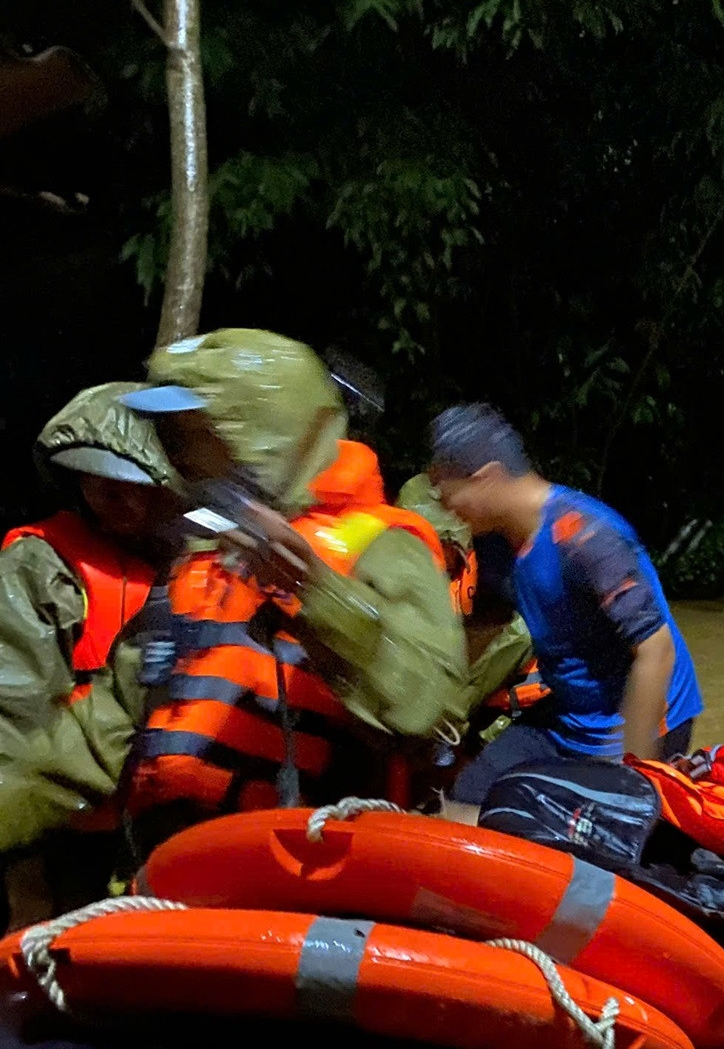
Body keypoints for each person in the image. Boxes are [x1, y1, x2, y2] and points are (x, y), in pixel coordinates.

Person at [117, 330, 464, 854]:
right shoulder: (204, 554)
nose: (184, 455)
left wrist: (313, 591)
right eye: (175, 435)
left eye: (198, 433)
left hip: (298, 864)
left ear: (266, 437)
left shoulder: (380, 543)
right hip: (167, 858)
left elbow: (430, 713)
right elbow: (111, 715)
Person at [427, 404, 702, 806]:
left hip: (638, 721)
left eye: (446, 489)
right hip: (565, 717)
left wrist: (635, 779)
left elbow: (656, 651)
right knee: (466, 800)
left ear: (485, 479)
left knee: (592, 837)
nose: (442, 502)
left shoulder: (584, 537)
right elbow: (480, 632)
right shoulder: (492, 541)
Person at [1, 382, 178, 917]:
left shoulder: (195, 570)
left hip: (161, 827)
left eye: (129, 483)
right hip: (62, 831)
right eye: (92, 477)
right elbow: (13, 720)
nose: (108, 493)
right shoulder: (40, 561)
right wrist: (22, 866)